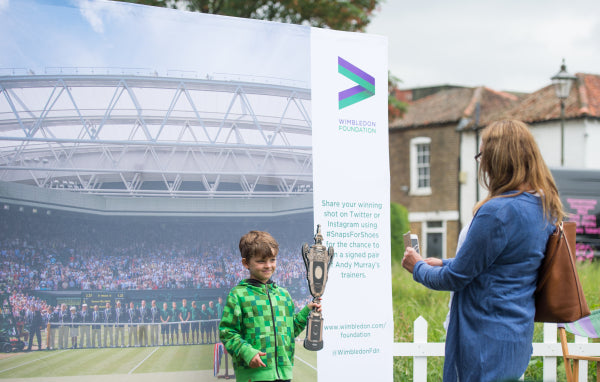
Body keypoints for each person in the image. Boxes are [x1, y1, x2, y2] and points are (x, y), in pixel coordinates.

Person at [402, 119, 564, 382]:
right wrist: (444, 262)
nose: (482, 164)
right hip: (515, 338)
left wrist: (417, 267)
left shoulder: (497, 211)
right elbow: (504, 261)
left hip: (483, 342)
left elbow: (454, 279)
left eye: (482, 155)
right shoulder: (543, 207)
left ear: (497, 161)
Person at [219, 230, 320, 382]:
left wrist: (307, 311)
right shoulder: (238, 295)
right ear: (246, 263)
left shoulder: (283, 294)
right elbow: (227, 332)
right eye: (261, 261)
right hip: (253, 376)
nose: (268, 265)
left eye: (272, 260)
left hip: (284, 375)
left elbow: (290, 331)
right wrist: (248, 353)